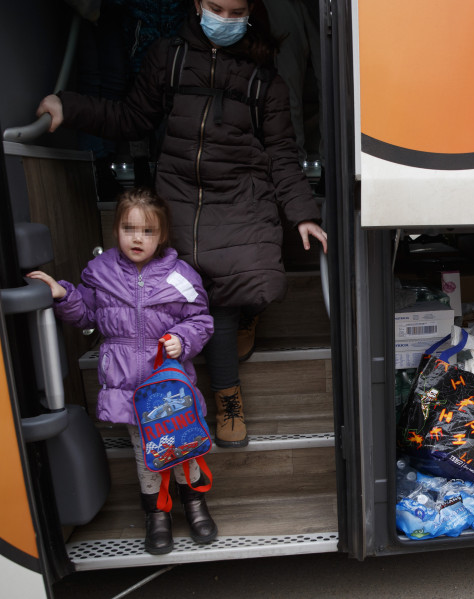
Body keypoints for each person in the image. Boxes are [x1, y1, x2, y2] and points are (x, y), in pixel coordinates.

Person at [36, 0, 328, 449]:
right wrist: (69, 107)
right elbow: (131, 117)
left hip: (240, 196)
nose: (224, 19)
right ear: (196, 4)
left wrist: (304, 214)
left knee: (247, 284)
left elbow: (282, 156)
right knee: (203, 291)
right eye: (216, 8)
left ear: (250, 12)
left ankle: (244, 329)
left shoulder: (264, 80)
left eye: (235, 12)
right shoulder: (167, 57)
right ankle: (228, 395)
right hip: (179, 196)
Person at [27, 188, 215, 555]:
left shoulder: (180, 275)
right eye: (129, 228)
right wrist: (64, 295)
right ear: (116, 230)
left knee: (183, 446)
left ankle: (194, 503)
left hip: (167, 385)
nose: (137, 238)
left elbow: (201, 319)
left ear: (162, 235)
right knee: (145, 452)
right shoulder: (101, 273)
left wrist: (182, 337)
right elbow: (86, 315)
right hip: (127, 383)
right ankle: (156, 514)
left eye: (147, 231)